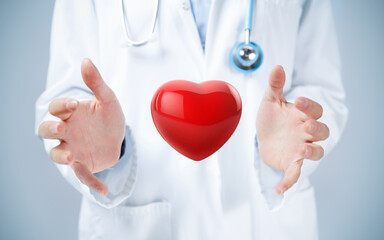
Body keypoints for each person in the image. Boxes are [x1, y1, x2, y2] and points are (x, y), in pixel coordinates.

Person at [35, 0, 348, 239]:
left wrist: (300, 130)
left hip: (262, 220)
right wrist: (107, 153)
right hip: (138, 222)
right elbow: (68, 93)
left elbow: (320, 83)